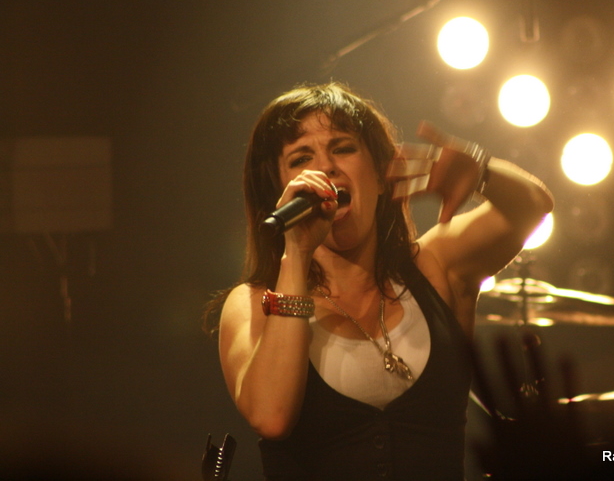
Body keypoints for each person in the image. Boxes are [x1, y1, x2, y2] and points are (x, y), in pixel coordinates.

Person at [204, 82, 553, 480]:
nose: (325, 167)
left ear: (381, 175)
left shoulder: (435, 266)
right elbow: (272, 417)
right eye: (301, 158)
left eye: (343, 148)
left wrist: (480, 170)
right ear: (278, 192)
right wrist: (296, 253)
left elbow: (533, 206)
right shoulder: (252, 304)